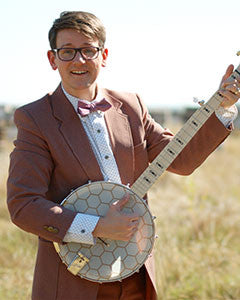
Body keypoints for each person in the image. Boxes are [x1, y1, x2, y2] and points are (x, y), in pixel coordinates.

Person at [7, 11, 240, 300]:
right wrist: (96, 227)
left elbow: (181, 160)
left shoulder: (131, 106)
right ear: (53, 59)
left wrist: (222, 108)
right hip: (75, 281)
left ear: (103, 55)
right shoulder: (35, 118)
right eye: (67, 52)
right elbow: (23, 204)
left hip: (136, 275)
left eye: (88, 50)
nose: (79, 60)